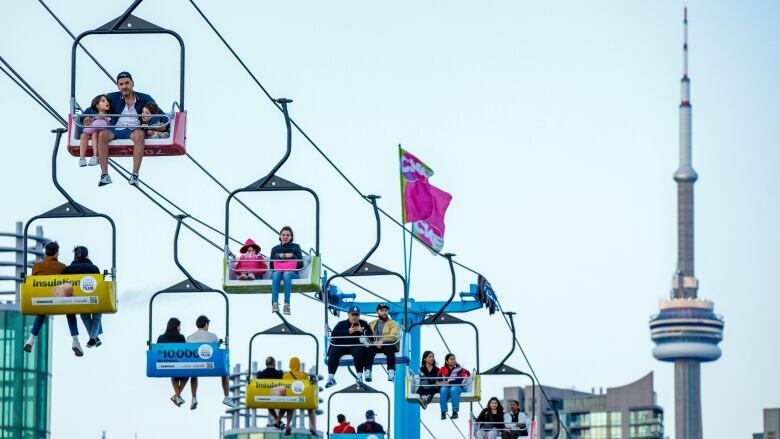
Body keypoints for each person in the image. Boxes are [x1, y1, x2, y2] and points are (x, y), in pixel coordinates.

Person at [95, 71, 161, 187]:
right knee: (102, 135)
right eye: (121, 84)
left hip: (133, 130)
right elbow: (94, 106)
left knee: (139, 135)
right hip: (116, 130)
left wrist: (151, 125)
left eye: (127, 83)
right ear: (118, 86)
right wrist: (87, 118)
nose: (124, 86)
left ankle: (135, 175)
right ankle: (104, 174)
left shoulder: (145, 98)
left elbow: (157, 114)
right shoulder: (111, 97)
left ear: (132, 83)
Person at [22, 241, 83, 357]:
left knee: (42, 310)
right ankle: (75, 340)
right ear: (56, 253)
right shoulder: (61, 267)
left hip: (40, 301)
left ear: (45, 252)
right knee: (70, 310)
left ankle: (31, 339)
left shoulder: (36, 267)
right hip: (59, 300)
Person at [185, 315, 238, 410]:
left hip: (196, 366)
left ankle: (194, 397)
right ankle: (226, 396)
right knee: (224, 371)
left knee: (193, 372)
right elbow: (216, 351)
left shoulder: (189, 338)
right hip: (211, 366)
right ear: (206, 324)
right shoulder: (213, 336)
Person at [61, 246, 103, 348]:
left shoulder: (68, 269)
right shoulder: (94, 268)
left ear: (75, 256)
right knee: (97, 314)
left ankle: (94, 338)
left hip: (77, 299)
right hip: (93, 297)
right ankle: (93, 338)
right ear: (87, 255)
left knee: (85, 315)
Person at [325, 306, 373, 388]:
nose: (354, 317)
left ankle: (359, 376)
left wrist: (363, 331)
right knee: (334, 351)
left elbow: (371, 337)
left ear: (359, 316)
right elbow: (334, 335)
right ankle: (331, 377)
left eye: (357, 315)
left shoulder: (364, 324)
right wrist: (348, 331)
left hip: (355, 346)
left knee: (359, 351)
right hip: (342, 345)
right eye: (353, 315)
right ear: (348, 315)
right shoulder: (341, 324)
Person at [269, 226, 303, 315]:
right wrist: (279, 257)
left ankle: (287, 304)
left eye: (288, 235)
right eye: (283, 235)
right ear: (280, 236)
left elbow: (300, 264)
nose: (285, 237)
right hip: (278, 271)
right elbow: (271, 266)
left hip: (292, 273)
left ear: (291, 237)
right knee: (276, 274)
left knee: (286, 274)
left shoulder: (296, 247)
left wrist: (292, 256)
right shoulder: (275, 249)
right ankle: (275, 303)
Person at [157, 317, 189, 407]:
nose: (180, 328)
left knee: (173, 374)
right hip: (178, 364)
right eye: (179, 326)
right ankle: (177, 396)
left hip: (164, 364)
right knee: (187, 375)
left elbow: (157, 351)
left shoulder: (161, 338)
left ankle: (177, 396)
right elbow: (184, 352)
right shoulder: (181, 337)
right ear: (176, 327)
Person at [364, 303, 400, 383]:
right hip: (375, 344)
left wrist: (382, 340)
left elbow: (394, 335)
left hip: (388, 343)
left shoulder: (393, 323)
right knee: (369, 350)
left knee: (390, 349)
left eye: (386, 311)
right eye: (382, 310)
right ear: (377, 312)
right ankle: (368, 371)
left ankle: (391, 371)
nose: (384, 312)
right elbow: (367, 333)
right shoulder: (372, 323)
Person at [281, 356, 317, 435]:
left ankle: (288, 425)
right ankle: (313, 427)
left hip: (291, 399)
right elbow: (308, 386)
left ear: (290, 365)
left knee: (290, 408)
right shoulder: (303, 375)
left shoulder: (285, 375)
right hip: (302, 399)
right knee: (311, 409)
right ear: (298, 365)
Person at [78, 94, 112, 167]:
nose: (107, 102)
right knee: (83, 135)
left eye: (107, 101)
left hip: (101, 133)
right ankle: (82, 158)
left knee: (95, 134)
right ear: (97, 105)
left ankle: (95, 156)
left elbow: (112, 125)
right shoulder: (91, 111)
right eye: (103, 101)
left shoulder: (110, 115)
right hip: (90, 130)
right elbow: (82, 118)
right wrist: (86, 119)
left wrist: (104, 118)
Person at [438, 353, 471, 420]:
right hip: (447, 387)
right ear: (446, 361)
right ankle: (443, 412)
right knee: (443, 390)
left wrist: (449, 382)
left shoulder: (460, 370)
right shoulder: (442, 370)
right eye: (451, 359)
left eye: (454, 359)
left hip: (457, 387)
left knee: (453, 389)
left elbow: (460, 380)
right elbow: (439, 379)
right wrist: (444, 382)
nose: (453, 360)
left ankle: (455, 411)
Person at [256, 356, 285, 430]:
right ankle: (278, 421)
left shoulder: (260, 374)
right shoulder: (279, 374)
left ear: (266, 364)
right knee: (286, 405)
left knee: (269, 405)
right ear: (274, 364)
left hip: (266, 399)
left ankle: (278, 422)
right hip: (278, 397)